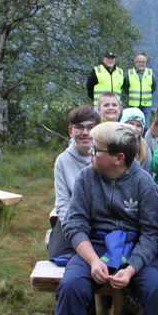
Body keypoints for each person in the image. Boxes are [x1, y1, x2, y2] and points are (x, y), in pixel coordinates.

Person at [52, 122, 158, 315]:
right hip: (94, 246)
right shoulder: (86, 178)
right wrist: (93, 260)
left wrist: (131, 269)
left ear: (119, 159)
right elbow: (74, 225)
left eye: (96, 150)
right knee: (71, 287)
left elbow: (152, 235)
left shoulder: (143, 183)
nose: (90, 154)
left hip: (135, 248)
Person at [48, 106, 101, 258]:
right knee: (59, 253)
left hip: (102, 219)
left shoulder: (107, 155)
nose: (85, 133)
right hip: (73, 218)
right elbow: (62, 203)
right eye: (79, 128)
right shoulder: (62, 161)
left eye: (91, 128)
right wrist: (75, 229)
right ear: (71, 131)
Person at [127, 54, 157, 127]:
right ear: (135, 63)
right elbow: (126, 86)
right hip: (133, 104)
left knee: (145, 125)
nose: (141, 64)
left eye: (143, 62)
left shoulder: (150, 73)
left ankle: (143, 138)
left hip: (146, 104)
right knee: (132, 124)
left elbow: (154, 87)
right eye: (139, 62)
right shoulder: (130, 73)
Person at [120, 107, 152, 173]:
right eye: (131, 124)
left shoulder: (145, 148)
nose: (134, 128)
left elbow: (148, 173)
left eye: (138, 125)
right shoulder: (115, 143)